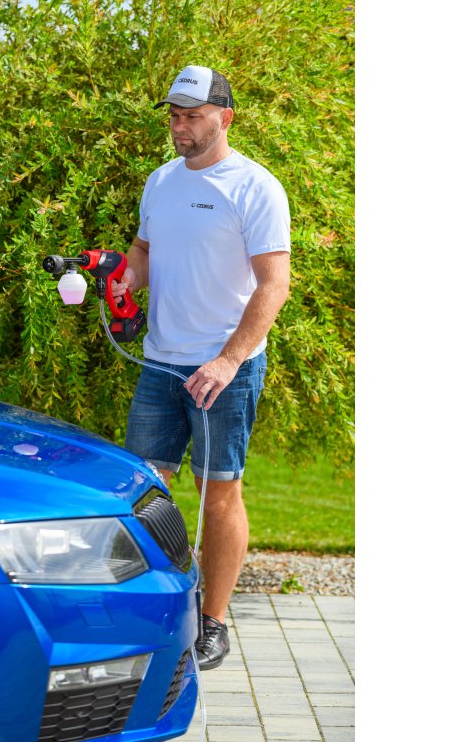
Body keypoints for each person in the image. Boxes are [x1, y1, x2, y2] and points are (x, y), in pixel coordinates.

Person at [111, 65, 291, 670]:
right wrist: (126, 280)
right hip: (160, 362)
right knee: (144, 491)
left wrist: (229, 360)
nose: (180, 127)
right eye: (175, 116)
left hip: (224, 368)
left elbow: (274, 284)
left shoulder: (255, 187)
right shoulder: (160, 181)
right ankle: (156, 608)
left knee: (217, 493)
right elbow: (144, 250)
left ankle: (212, 622)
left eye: (192, 116)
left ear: (225, 118)